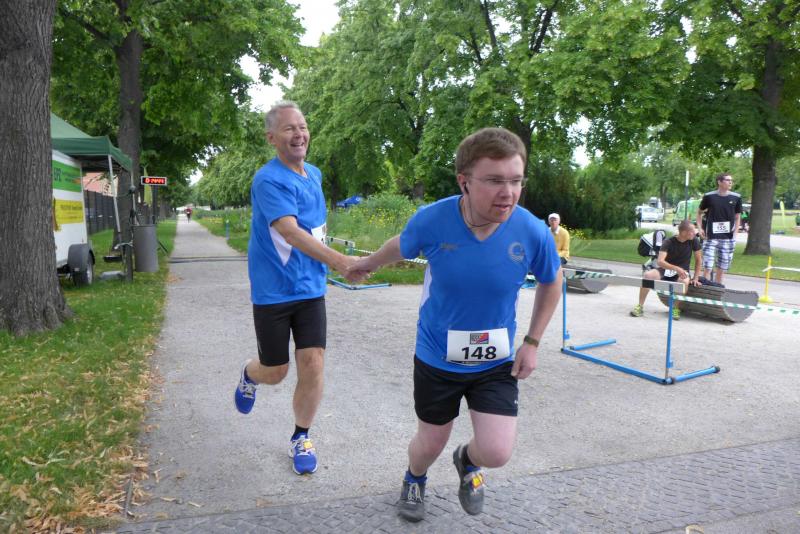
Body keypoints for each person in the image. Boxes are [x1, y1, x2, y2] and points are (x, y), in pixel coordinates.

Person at [347, 128, 563, 522]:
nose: (508, 193)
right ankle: (415, 477)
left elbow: (552, 281)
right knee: (430, 443)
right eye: (494, 181)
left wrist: (532, 342)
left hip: (495, 360)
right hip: (437, 357)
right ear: (464, 181)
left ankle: (466, 460)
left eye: (516, 181)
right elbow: (402, 244)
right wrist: (368, 264)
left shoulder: (532, 231)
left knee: (497, 452)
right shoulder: (433, 220)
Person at [233, 101, 357, 475]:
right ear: (272, 138)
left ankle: (301, 436)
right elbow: (290, 232)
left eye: (302, 127)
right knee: (276, 371)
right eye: (289, 129)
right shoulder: (267, 180)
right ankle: (250, 374)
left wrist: (327, 262)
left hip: (310, 289)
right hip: (273, 291)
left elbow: (314, 228)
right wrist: (340, 261)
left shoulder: (313, 174)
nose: (299, 134)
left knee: (313, 364)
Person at [630, 220, 702, 320]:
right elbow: (660, 262)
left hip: (683, 271)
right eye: (692, 231)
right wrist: (676, 268)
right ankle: (640, 306)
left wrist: (696, 278)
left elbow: (699, 260)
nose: (695, 233)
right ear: (684, 232)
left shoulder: (694, 240)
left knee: (684, 281)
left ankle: (675, 308)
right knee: (647, 276)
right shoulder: (668, 242)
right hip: (666, 269)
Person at [696, 173, 742, 285]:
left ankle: (718, 288)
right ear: (719, 182)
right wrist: (700, 228)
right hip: (710, 237)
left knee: (722, 267)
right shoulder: (709, 196)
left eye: (731, 180)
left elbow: (737, 217)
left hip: (728, 238)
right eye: (727, 180)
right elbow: (699, 213)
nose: (730, 182)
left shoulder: (736, 197)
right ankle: (705, 288)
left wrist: (735, 234)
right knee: (708, 266)